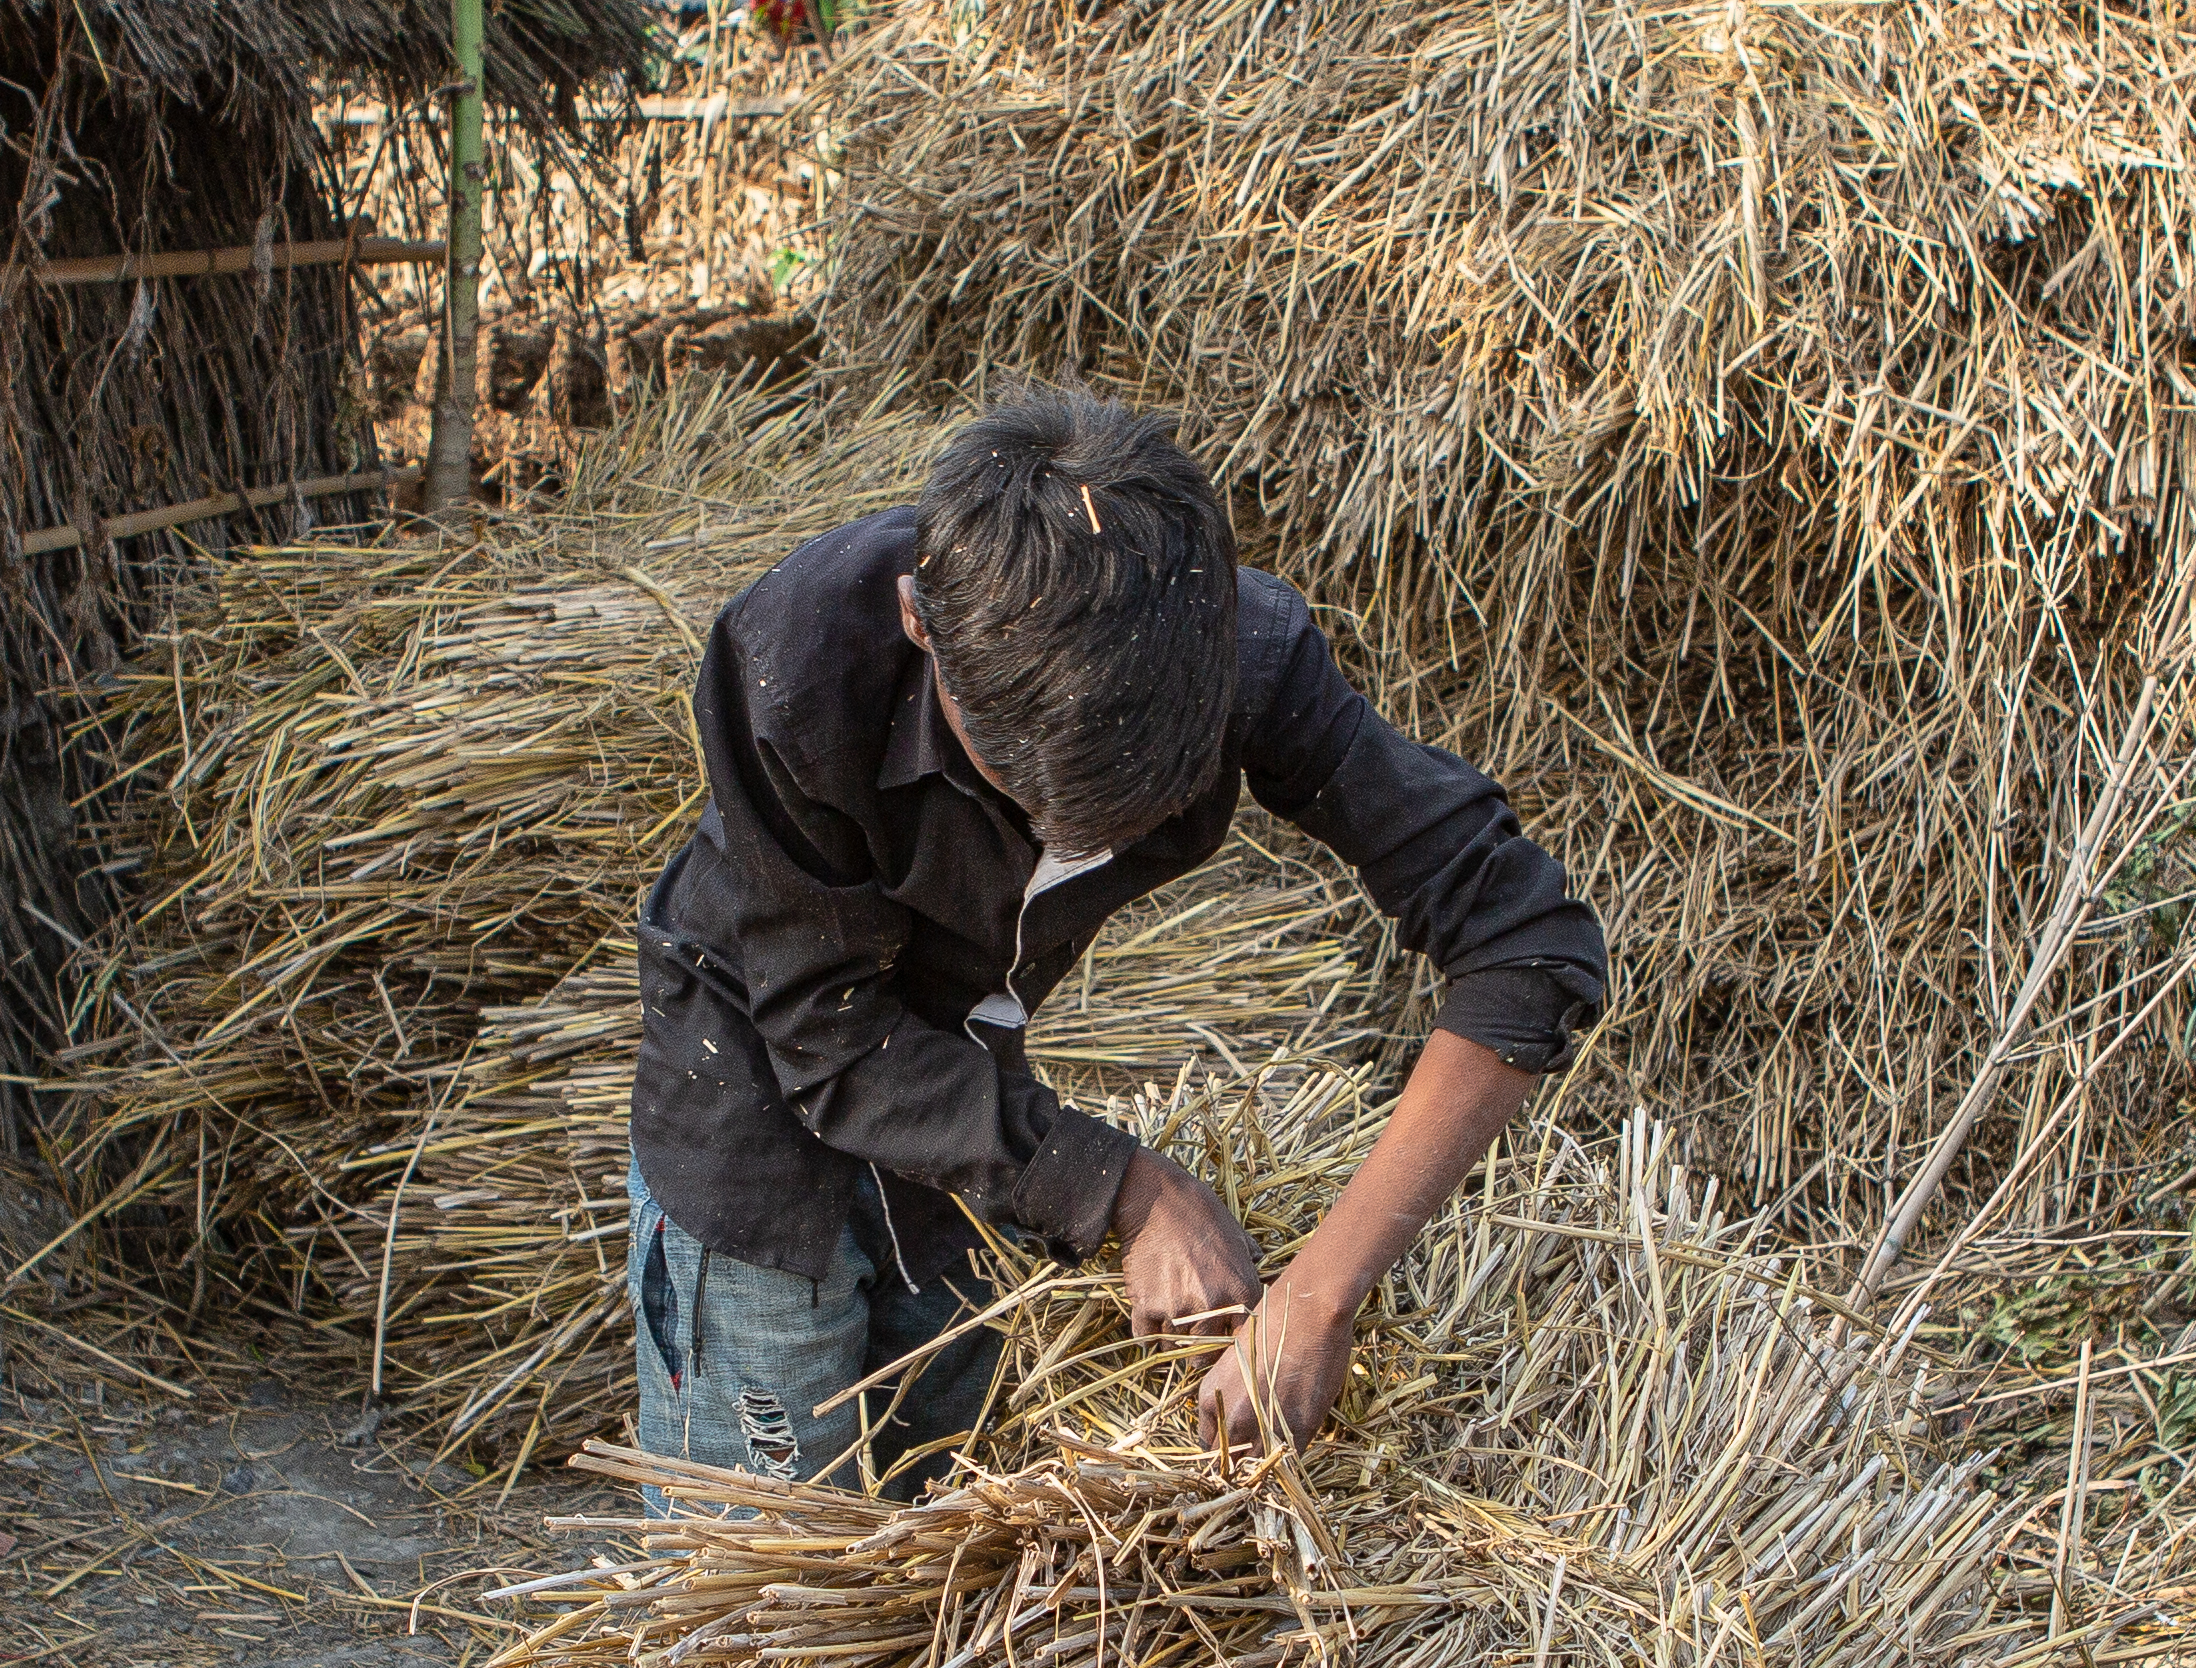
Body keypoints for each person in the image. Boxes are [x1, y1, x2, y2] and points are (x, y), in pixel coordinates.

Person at [624, 387, 1604, 1496]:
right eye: (1018, 790)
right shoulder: (796, 667)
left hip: (968, 1084)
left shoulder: (1240, 648)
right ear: (917, 620)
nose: (1056, 843)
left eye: (1113, 817)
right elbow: (828, 1036)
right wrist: (1131, 1188)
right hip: (754, 1061)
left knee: (935, 1472)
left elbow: (1528, 945)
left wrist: (1320, 1293)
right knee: (776, 1553)